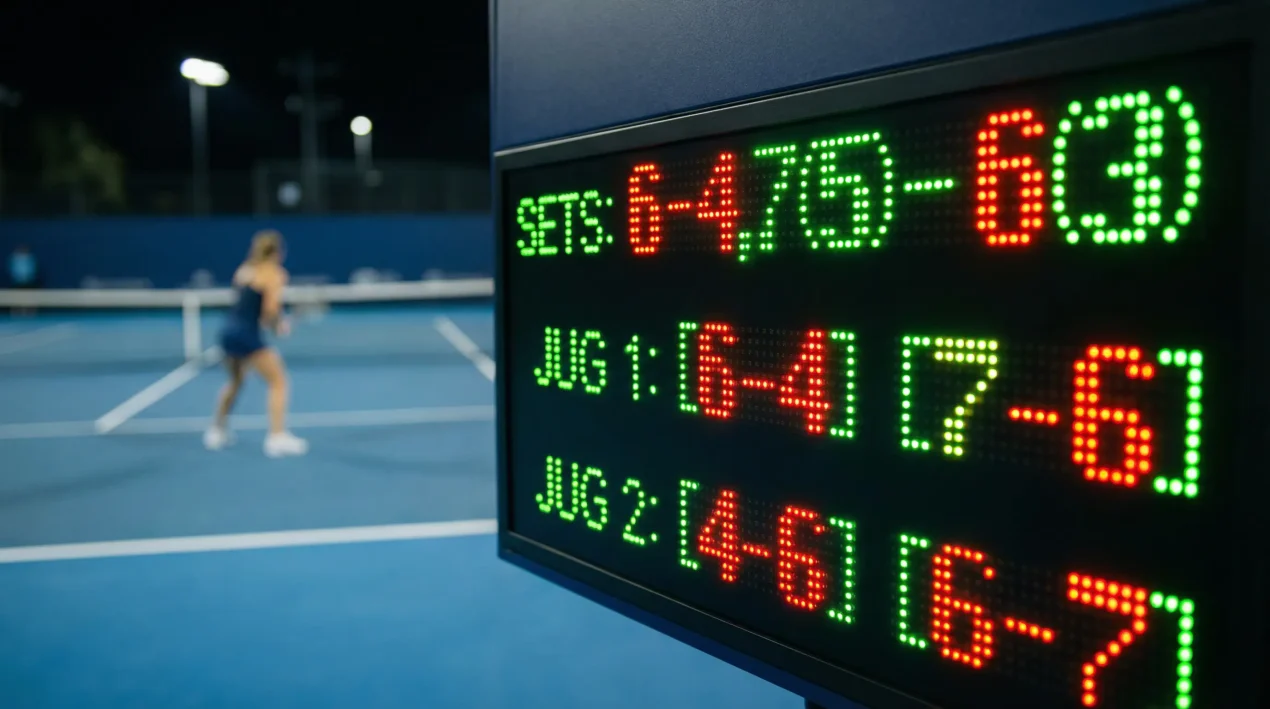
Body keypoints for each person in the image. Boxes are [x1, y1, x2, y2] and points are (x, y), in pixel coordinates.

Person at [204, 230, 309, 457]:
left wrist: (267, 322)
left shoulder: (244, 271)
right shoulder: (275, 274)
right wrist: (279, 325)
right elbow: (270, 310)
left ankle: (216, 431)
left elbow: (244, 305)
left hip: (228, 332)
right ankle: (277, 437)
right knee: (279, 381)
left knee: (235, 381)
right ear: (278, 251)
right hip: (247, 335)